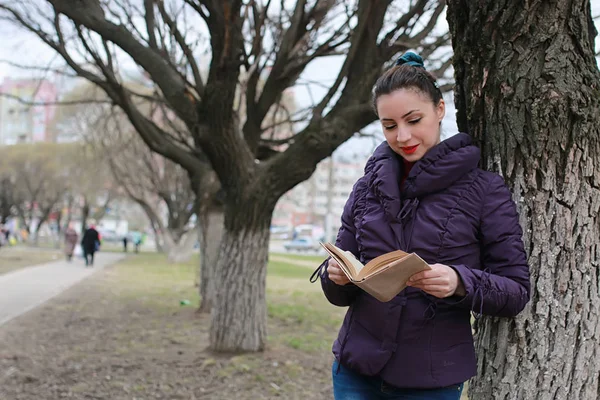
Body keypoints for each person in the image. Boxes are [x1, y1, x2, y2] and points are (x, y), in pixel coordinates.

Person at [310, 52, 530, 400]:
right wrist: (335, 275)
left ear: (440, 109)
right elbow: (343, 280)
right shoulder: (366, 189)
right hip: (356, 368)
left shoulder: (485, 190)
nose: (403, 135)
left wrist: (459, 281)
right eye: (390, 125)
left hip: (430, 379)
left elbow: (516, 291)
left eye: (414, 119)